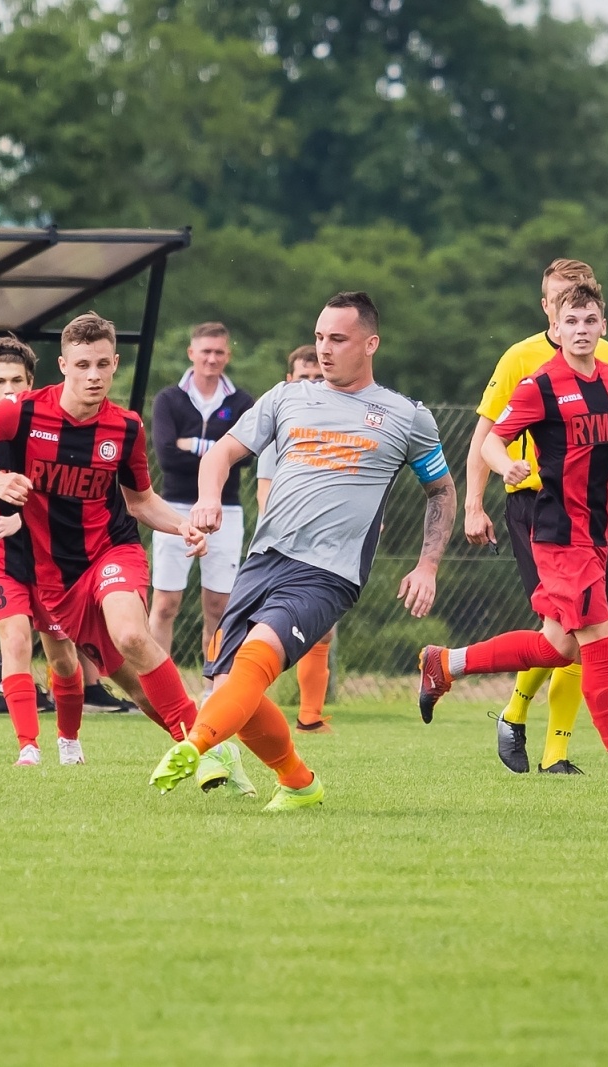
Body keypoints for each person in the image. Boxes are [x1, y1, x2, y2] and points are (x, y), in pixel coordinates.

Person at [152, 291, 458, 812]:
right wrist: (207, 500)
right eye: (319, 337)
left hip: (328, 572)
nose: (324, 349)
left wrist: (427, 565)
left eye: (337, 339)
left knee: (258, 656)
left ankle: (198, 744)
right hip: (264, 558)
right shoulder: (287, 398)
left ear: (370, 343)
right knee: (232, 687)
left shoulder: (406, 416)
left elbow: (442, 491)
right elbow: (222, 454)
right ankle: (298, 782)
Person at [0, 312, 254, 792]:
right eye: (83, 365)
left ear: (115, 364)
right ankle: (209, 746)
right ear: (63, 365)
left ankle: (203, 749)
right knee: (133, 684)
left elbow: (141, 501)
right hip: (57, 579)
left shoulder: (125, 428)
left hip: (112, 552)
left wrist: (183, 525)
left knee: (132, 635)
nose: (93, 376)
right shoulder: (21, 412)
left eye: (103, 365)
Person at [417, 281, 608, 777]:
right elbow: (492, 439)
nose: (580, 329)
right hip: (558, 534)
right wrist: (506, 465)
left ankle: (446, 663)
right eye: (570, 321)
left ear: (603, 326)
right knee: (600, 641)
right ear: (554, 327)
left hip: (597, 533)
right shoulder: (541, 383)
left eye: (589, 320)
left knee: (558, 647)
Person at [0, 336, 158, 765]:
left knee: (63, 657)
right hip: (2, 557)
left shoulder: (38, 422)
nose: (9, 390)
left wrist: (18, 517)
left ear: (32, 383)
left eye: (17, 381)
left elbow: (57, 495)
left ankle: (68, 737)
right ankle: (28, 746)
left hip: (49, 555)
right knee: (13, 639)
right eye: (0, 381)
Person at [148, 323, 255, 661]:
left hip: (226, 510)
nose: (211, 358)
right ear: (191, 353)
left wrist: (191, 445)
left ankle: (214, 688)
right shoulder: (169, 399)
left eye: (219, 352)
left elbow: (247, 457)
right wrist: (219, 453)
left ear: (228, 355)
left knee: (219, 605)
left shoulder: (241, 402)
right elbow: (166, 456)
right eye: (205, 351)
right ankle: (157, 688)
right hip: (173, 507)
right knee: (165, 603)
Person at [255, 345, 337, 733]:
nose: (311, 384)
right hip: (284, 542)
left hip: (330, 543)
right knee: (263, 625)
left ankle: (310, 716)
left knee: (323, 627)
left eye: (317, 377)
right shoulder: (283, 423)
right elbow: (264, 492)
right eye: (303, 378)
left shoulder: (341, 426)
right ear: (289, 381)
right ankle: (243, 698)